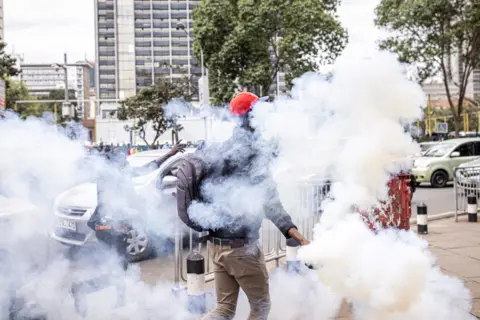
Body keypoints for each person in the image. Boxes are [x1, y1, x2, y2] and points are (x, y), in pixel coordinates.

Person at [188, 92, 310, 320]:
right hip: (241, 249)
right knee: (261, 307)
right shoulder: (253, 153)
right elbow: (270, 203)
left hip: (216, 247)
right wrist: (296, 234)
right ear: (250, 117)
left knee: (224, 309)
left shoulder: (223, 148)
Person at [86, 141, 186, 262]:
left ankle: (116, 275)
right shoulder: (110, 179)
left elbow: (149, 167)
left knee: (114, 259)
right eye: (124, 161)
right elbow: (115, 204)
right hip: (109, 226)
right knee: (117, 259)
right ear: (116, 165)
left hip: (108, 225)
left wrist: (170, 153)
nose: (128, 163)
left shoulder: (119, 174)